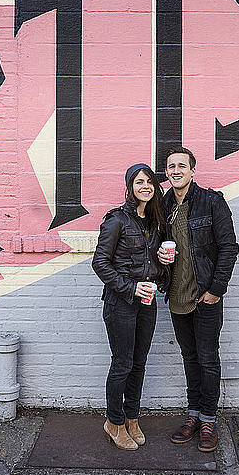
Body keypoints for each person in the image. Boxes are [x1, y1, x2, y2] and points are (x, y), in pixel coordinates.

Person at [158, 146, 238, 452]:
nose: (176, 171)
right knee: (189, 358)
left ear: (193, 170)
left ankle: (208, 420)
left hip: (205, 298)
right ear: (166, 173)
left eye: (181, 166)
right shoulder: (162, 205)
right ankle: (192, 415)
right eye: (170, 166)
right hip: (177, 297)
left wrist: (216, 290)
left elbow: (229, 247)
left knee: (207, 359)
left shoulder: (211, 201)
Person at [92, 163, 167, 450]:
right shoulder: (117, 220)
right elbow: (99, 263)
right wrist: (131, 287)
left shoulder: (155, 222)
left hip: (147, 302)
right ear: (130, 187)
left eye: (149, 181)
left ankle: (132, 418)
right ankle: (114, 421)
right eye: (139, 182)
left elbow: (153, 264)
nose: (145, 186)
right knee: (122, 364)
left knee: (139, 363)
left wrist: (163, 266)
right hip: (120, 302)